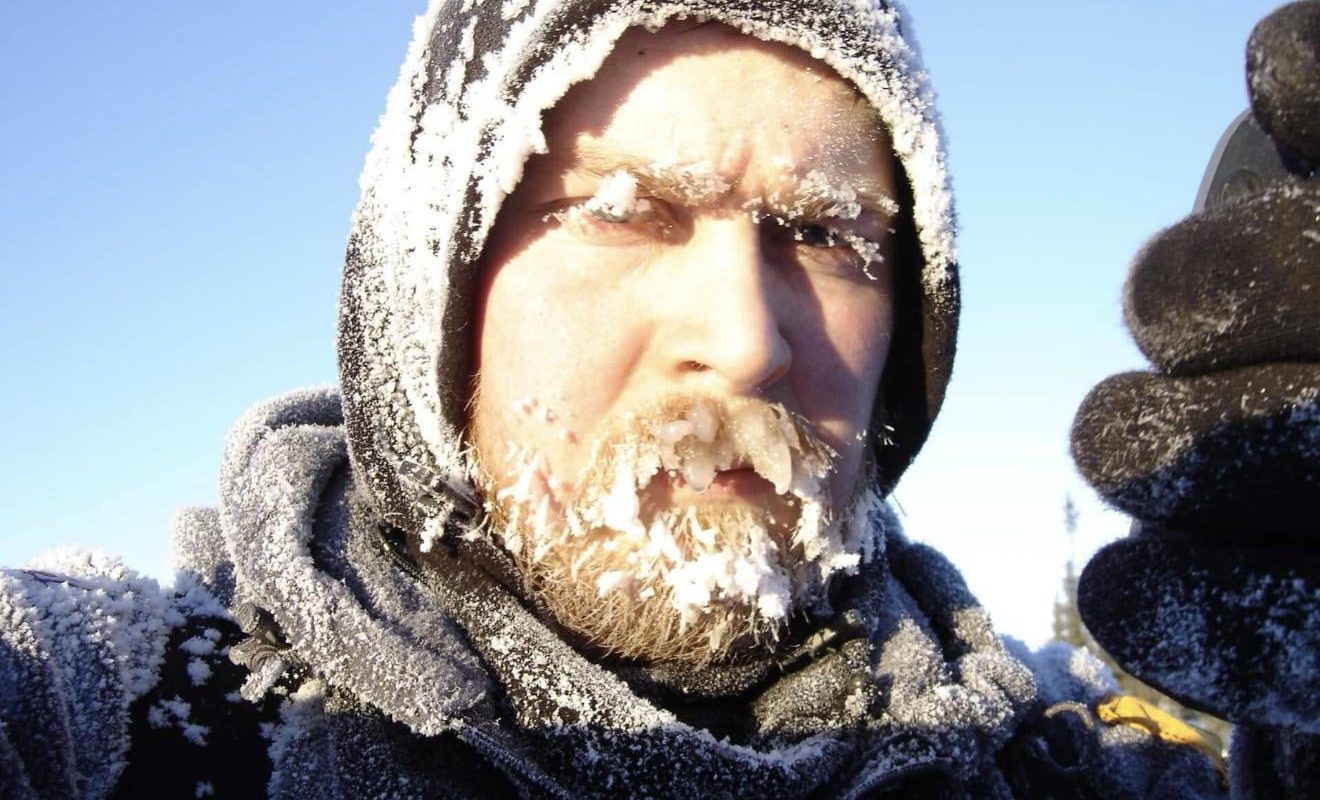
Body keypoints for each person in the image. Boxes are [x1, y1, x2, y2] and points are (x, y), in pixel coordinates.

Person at [1, 1, 1314, 797]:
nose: (745, 339)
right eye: (623, 212)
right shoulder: (119, 729)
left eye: (826, 237)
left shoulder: (1058, 770)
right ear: (429, 299)